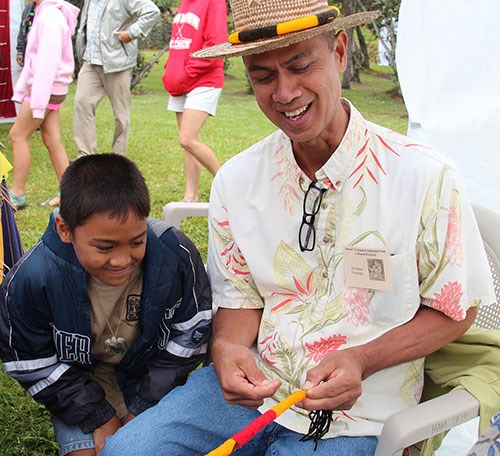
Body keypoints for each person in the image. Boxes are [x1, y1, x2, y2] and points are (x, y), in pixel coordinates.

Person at [101, 1, 496, 455]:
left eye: (300, 64)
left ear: (341, 51)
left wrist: (362, 359)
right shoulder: (238, 180)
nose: (284, 92)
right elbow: (240, 298)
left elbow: (455, 308)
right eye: (262, 76)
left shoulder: (424, 176)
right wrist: (228, 349)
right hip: (253, 394)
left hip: (362, 412)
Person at [0, 154, 212, 455]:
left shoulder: (174, 255)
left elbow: (191, 333)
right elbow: (31, 361)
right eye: (104, 247)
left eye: (137, 242)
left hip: (148, 378)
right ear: (64, 229)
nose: (121, 260)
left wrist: (142, 408)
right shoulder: (32, 280)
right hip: (77, 384)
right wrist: (98, 415)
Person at [8, 0, 79, 209]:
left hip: (45, 90)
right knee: (51, 139)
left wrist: (37, 100)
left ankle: (17, 193)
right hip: (49, 90)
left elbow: (47, 62)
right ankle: (70, 196)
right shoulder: (44, 12)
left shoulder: (51, 18)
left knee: (17, 135)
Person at [73, 0, 160, 157]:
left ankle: (118, 158)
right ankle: (85, 158)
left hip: (117, 63)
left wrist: (132, 33)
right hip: (90, 61)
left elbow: (152, 11)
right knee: (82, 104)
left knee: (121, 115)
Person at [162, 0, 227, 202]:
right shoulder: (184, 3)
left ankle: (228, 184)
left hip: (203, 79)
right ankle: (191, 196)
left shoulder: (213, 2)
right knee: (189, 143)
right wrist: (172, 71)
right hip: (182, 81)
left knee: (187, 138)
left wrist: (185, 73)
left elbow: (215, 46)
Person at [16, 1, 36, 67]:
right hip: (28, 53)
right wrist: (20, 51)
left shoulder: (50, 9)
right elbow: (23, 28)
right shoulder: (30, 6)